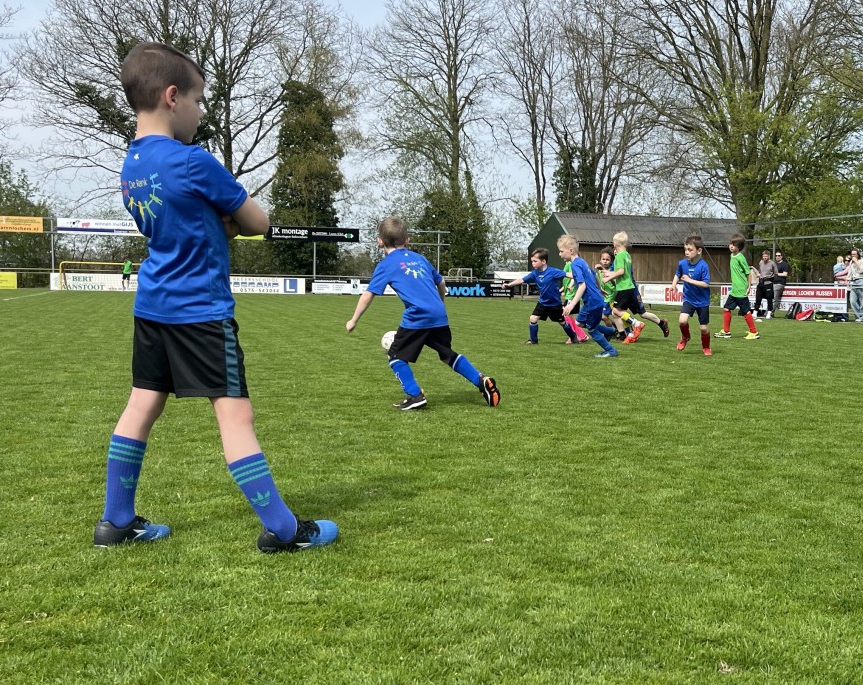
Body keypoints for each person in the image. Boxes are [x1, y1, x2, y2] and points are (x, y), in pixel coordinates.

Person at [95, 42, 336, 553]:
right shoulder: (193, 162)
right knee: (235, 416)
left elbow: (166, 226)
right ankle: (285, 530)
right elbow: (259, 222)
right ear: (172, 97)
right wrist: (227, 220)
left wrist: (211, 223)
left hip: (153, 305)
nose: (202, 113)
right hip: (201, 311)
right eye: (200, 101)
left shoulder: (131, 166)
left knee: (141, 405)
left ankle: (115, 521)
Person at [346, 216, 502, 408]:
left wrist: (353, 320)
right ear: (407, 240)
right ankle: (481, 380)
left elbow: (368, 294)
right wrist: (441, 304)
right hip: (438, 315)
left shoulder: (386, 265)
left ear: (380, 241)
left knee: (395, 356)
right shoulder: (420, 259)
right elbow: (441, 282)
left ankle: (415, 396)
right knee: (447, 354)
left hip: (417, 316)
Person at [558, 235, 621, 358]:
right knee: (579, 323)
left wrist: (571, 305)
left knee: (591, 329)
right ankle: (610, 331)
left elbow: (582, 286)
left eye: (561, 251)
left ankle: (611, 351)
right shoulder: (582, 262)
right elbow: (594, 275)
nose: (560, 254)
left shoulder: (575, 265)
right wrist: (600, 290)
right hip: (594, 299)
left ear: (570, 250)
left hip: (592, 301)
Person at [604, 231, 670, 342]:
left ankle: (638, 325)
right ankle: (630, 335)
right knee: (627, 313)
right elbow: (623, 272)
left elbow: (621, 272)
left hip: (626, 288)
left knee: (618, 312)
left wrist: (608, 277)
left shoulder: (620, 256)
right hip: (630, 288)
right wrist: (609, 273)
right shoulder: (627, 255)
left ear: (615, 243)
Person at [503, 248, 576, 345]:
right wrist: (509, 284)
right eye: (532, 261)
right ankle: (533, 340)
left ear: (543, 261)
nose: (532, 263)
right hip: (542, 302)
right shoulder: (534, 273)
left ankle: (573, 337)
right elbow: (521, 280)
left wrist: (583, 274)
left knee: (562, 323)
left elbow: (569, 274)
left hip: (554, 304)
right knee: (533, 319)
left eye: (535, 261)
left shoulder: (553, 271)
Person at [673, 234, 714, 355]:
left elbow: (706, 284)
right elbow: (677, 273)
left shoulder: (703, 266)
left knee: (704, 328)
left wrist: (690, 280)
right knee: (682, 321)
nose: (687, 252)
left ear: (699, 251)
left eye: (690, 250)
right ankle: (685, 337)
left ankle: (706, 347)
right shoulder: (682, 263)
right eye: (685, 249)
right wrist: (673, 284)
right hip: (689, 299)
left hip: (702, 301)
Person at [715, 233, 761, 340]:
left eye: (734, 245)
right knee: (726, 308)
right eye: (730, 244)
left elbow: (748, 273)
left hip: (740, 289)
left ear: (739, 247)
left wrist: (749, 286)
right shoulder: (732, 255)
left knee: (745, 311)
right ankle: (726, 332)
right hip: (735, 290)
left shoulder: (741, 258)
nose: (731, 246)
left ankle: (754, 332)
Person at [847, 250, 863, 323]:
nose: (853, 256)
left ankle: (861, 317)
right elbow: (850, 271)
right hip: (854, 281)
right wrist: (848, 278)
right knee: (852, 301)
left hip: (861, 280)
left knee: (862, 299)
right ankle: (858, 316)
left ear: (858, 254)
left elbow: (862, 270)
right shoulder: (851, 262)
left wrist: (856, 261)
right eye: (852, 254)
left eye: (854, 254)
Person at [755, 249, 777, 318]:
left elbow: (775, 273)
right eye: (764, 256)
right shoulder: (761, 262)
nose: (765, 258)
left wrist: (771, 279)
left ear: (769, 256)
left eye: (766, 256)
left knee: (769, 298)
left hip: (768, 282)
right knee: (758, 297)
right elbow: (760, 271)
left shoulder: (772, 263)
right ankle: (755, 312)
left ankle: (769, 312)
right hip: (761, 282)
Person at [771, 250, 790, 317]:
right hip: (772, 283)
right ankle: (767, 312)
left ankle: (771, 313)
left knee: (775, 299)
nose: (777, 257)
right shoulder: (773, 264)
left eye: (779, 255)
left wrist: (776, 274)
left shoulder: (784, 264)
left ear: (781, 257)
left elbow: (785, 274)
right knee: (769, 298)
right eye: (776, 255)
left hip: (779, 284)